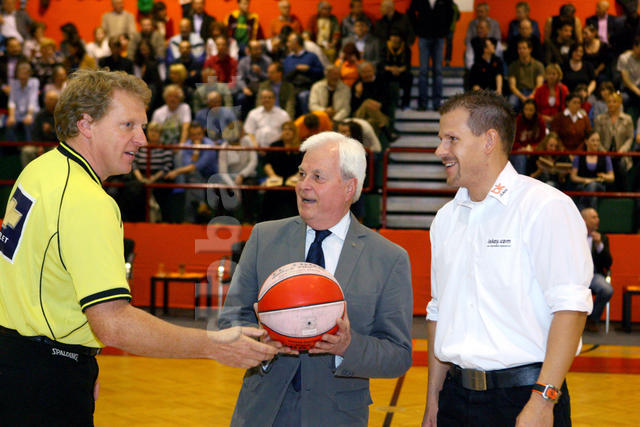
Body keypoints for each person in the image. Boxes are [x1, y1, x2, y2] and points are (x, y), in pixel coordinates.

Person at [0, 69, 279, 426]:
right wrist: (215, 344)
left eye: (142, 126)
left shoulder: (40, 168)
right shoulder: (88, 201)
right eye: (128, 125)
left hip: (18, 359)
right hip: (43, 379)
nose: (142, 139)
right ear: (85, 124)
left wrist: (81, 359)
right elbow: (114, 323)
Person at [422, 90, 593, 427]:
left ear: (489, 141)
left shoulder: (544, 207)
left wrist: (543, 400)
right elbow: (439, 312)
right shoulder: (445, 220)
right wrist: (433, 400)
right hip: (455, 399)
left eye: (451, 139)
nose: (440, 150)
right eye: (441, 139)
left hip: (526, 397)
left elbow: (570, 309)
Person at [219, 130, 413, 426]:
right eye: (302, 174)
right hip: (261, 413)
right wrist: (261, 342)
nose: (303, 185)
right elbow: (230, 321)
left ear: (349, 187)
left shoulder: (388, 258)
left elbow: (397, 355)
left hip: (337, 417)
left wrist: (347, 347)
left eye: (317, 177)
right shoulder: (263, 237)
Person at [408, 0, 454, 111]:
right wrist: (417, 29)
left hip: (439, 38)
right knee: (423, 71)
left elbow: (451, 13)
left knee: (438, 71)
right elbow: (411, 12)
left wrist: (445, 30)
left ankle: (437, 103)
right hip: (423, 37)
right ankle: (422, 103)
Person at [580, 207, 614, 333]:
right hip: (576, 275)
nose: (597, 220)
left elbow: (608, 263)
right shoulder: (574, 236)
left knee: (607, 289)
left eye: (597, 217)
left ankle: (592, 320)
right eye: (594, 217)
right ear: (584, 220)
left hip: (594, 276)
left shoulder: (603, 238)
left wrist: (599, 245)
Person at [593, 91, 634, 190]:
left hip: (621, 154)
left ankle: (624, 194)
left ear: (619, 103)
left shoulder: (627, 119)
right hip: (603, 153)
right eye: (609, 101)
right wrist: (603, 151)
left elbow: (630, 138)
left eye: (614, 101)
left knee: (621, 166)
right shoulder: (599, 119)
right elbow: (596, 137)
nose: (611, 104)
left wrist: (623, 150)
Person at [569, 130, 614, 209]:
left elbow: (611, 177)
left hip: (599, 186)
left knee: (592, 186)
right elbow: (573, 177)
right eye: (593, 140)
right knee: (591, 191)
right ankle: (590, 212)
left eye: (598, 140)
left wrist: (604, 176)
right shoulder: (579, 156)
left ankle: (582, 210)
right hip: (582, 185)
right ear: (586, 142)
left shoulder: (605, 156)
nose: (595, 143)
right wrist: (585, 180)